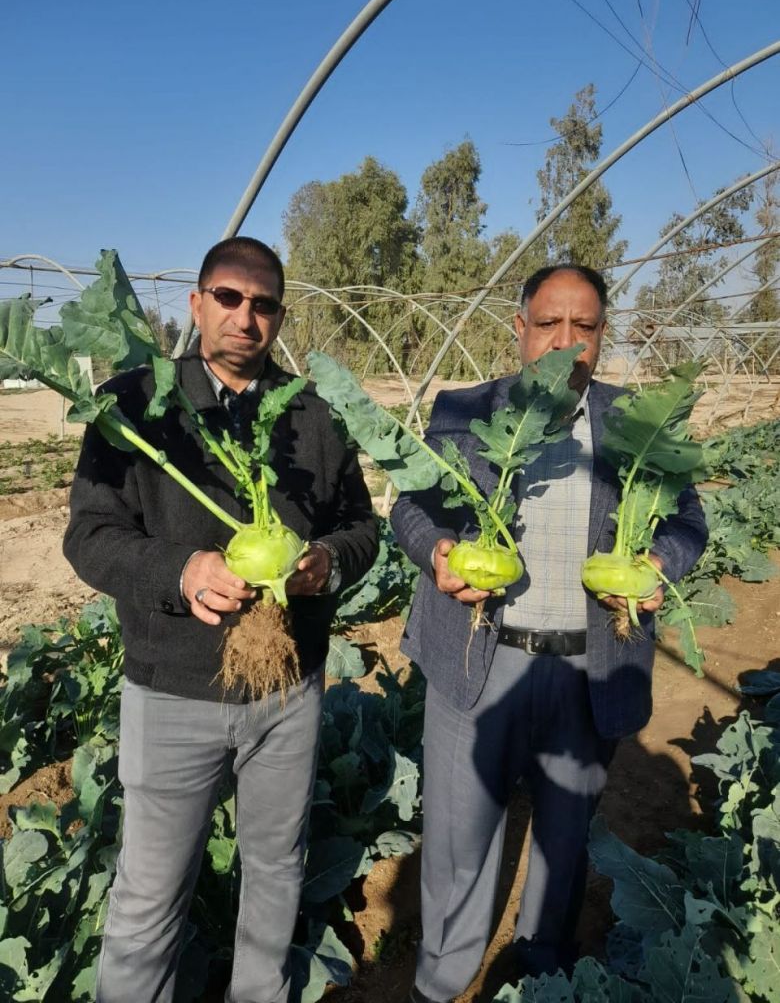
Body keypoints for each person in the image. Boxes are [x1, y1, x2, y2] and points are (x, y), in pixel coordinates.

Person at [63, 236, 378, 1003]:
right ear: (198, 305)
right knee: (149, 895)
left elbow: (362, 528)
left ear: (280, 318)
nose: (246, 317)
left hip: (288, 691)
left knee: (276, 869)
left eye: (264, 304)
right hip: (173, 690)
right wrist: (182, 571)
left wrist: (326, 561)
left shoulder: (314, 415)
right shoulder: (132, 406)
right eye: (229, 298)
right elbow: (90, 536)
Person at [390, 264, 708, 1003]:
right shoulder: (465, 409)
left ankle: (544, 975)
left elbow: (689, 517)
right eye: (548, 325)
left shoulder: (633, 420)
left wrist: (660, 561)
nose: (566, 343)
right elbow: (411, 506)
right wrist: (438, 553)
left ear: (602, 334)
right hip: (479, 660)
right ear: (520, 328)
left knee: (566, 844)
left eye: (584, 327)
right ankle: (442, 978)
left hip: (588, 666)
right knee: (459, 841)